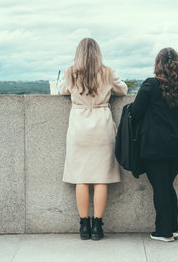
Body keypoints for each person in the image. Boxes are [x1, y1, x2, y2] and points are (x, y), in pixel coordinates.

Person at [130, 47, 178, 242]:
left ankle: (164, 232)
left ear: (158, 65)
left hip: (155, 148)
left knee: (161, 187)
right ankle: (172, 228)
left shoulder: (151, 85)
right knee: (166, 185)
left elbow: (135, 113)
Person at [57, 38, 128, 240]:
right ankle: (97, 227)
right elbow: (122, 90)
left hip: (79, 127)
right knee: (100, 178)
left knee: (81, 178)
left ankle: (83, 226)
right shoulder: (107, 71)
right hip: (101, 126)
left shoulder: (71, 72)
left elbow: (62, 90)